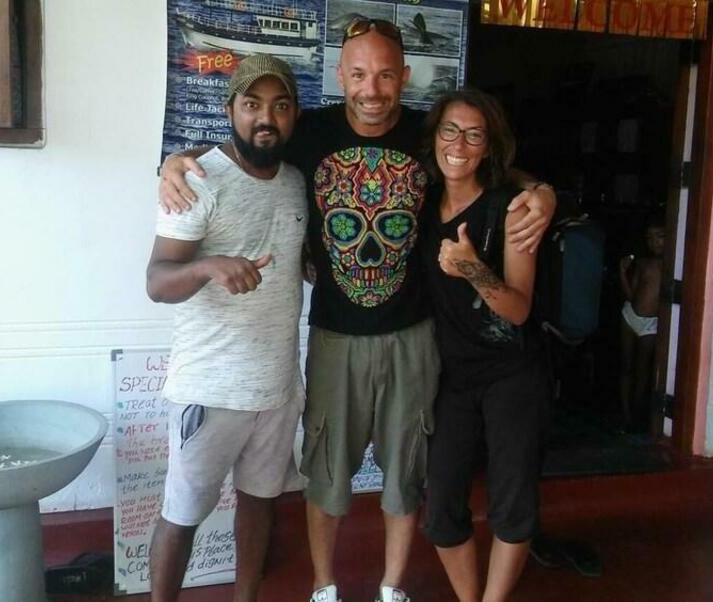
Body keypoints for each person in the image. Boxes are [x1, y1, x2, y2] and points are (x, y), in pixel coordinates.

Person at [158, 19, 557, 602]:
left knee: (405, 471)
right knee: (326, 471)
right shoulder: (310, 131)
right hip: (334, 335)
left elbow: (478, 155)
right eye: (361, 74)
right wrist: (176, 159)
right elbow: (247, 144)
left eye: (386, 75)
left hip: (413, 335)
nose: (373, 89)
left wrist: (540, 190)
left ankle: (392, 587)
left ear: (405, 77)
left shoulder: (426, 134)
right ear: (340, 75)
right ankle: (325, 587)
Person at [144, 54, 307, 602]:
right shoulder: (196, 179)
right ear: (230, 109)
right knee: (182, 514)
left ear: (294, 114)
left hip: (277, 386)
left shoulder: (296, 180)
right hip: (211, 389)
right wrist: (207, 267)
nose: (266, 118)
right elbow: (157, 281)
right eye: (252, 104)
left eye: (280, 106)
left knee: (260, 503)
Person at [418, 89, 547, 602]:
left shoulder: (510, 209)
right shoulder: (421, 204)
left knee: (512, 501)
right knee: (441, 506)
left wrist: (471, 267)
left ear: (489, 146)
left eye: (475, 135)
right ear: (435, 137)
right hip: (452, 376)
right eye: (451, 130)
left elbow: (518, 309)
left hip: (512, 373)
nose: (459, 145)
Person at [618, 213, 665, 433]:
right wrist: (622, 272)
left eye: (659, 236)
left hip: (652, 324)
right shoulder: (643, 263)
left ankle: (637, 416)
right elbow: (631, 294)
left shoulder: (673, 266)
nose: (654, 242)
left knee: (643, 370)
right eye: (650, 238)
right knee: (626, 365)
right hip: (630, 317)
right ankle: (625, 416)